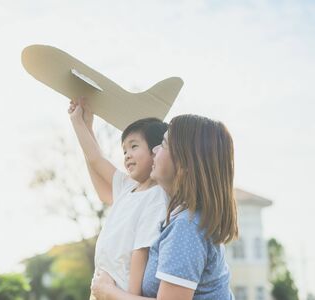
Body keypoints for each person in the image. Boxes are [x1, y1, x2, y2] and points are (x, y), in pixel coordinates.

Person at [91, 114, 239, 300]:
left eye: (163, 144)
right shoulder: (181, 219)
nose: (154, 149)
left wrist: (108, 292)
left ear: (184, 163)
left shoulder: (187, 227)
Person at [68, 98, 168, 296]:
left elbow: (141, 252)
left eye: (134, 146)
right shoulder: (127, 186)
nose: (127, 155)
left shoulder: (157, 197)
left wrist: (129, 296)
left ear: (157, 151)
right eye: (124, 150)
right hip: (101, 285)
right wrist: (82, 124)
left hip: (119, 290)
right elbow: (96, 159)